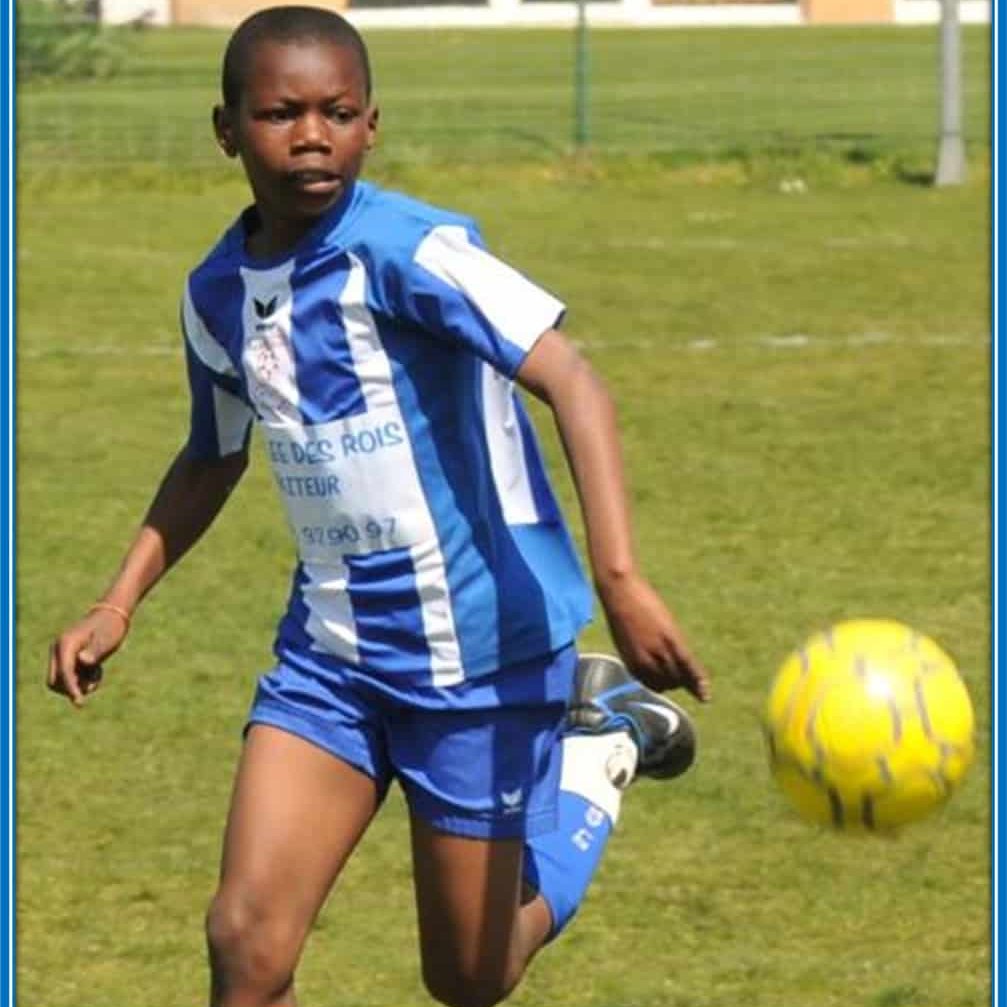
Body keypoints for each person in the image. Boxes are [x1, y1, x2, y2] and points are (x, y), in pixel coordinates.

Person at [46, 7, 712, 1006]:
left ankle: (599, 751)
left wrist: (619, 577)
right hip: (334, 655)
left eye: (338, 112)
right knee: (245, 945)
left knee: (470, 975)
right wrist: (117, 601)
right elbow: (211, 454)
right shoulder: (217, 293)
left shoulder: (412, 250)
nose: (311, 136)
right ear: (226, 129)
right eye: (280, 114)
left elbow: (572, 379)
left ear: (370, 125)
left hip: (478, 659)